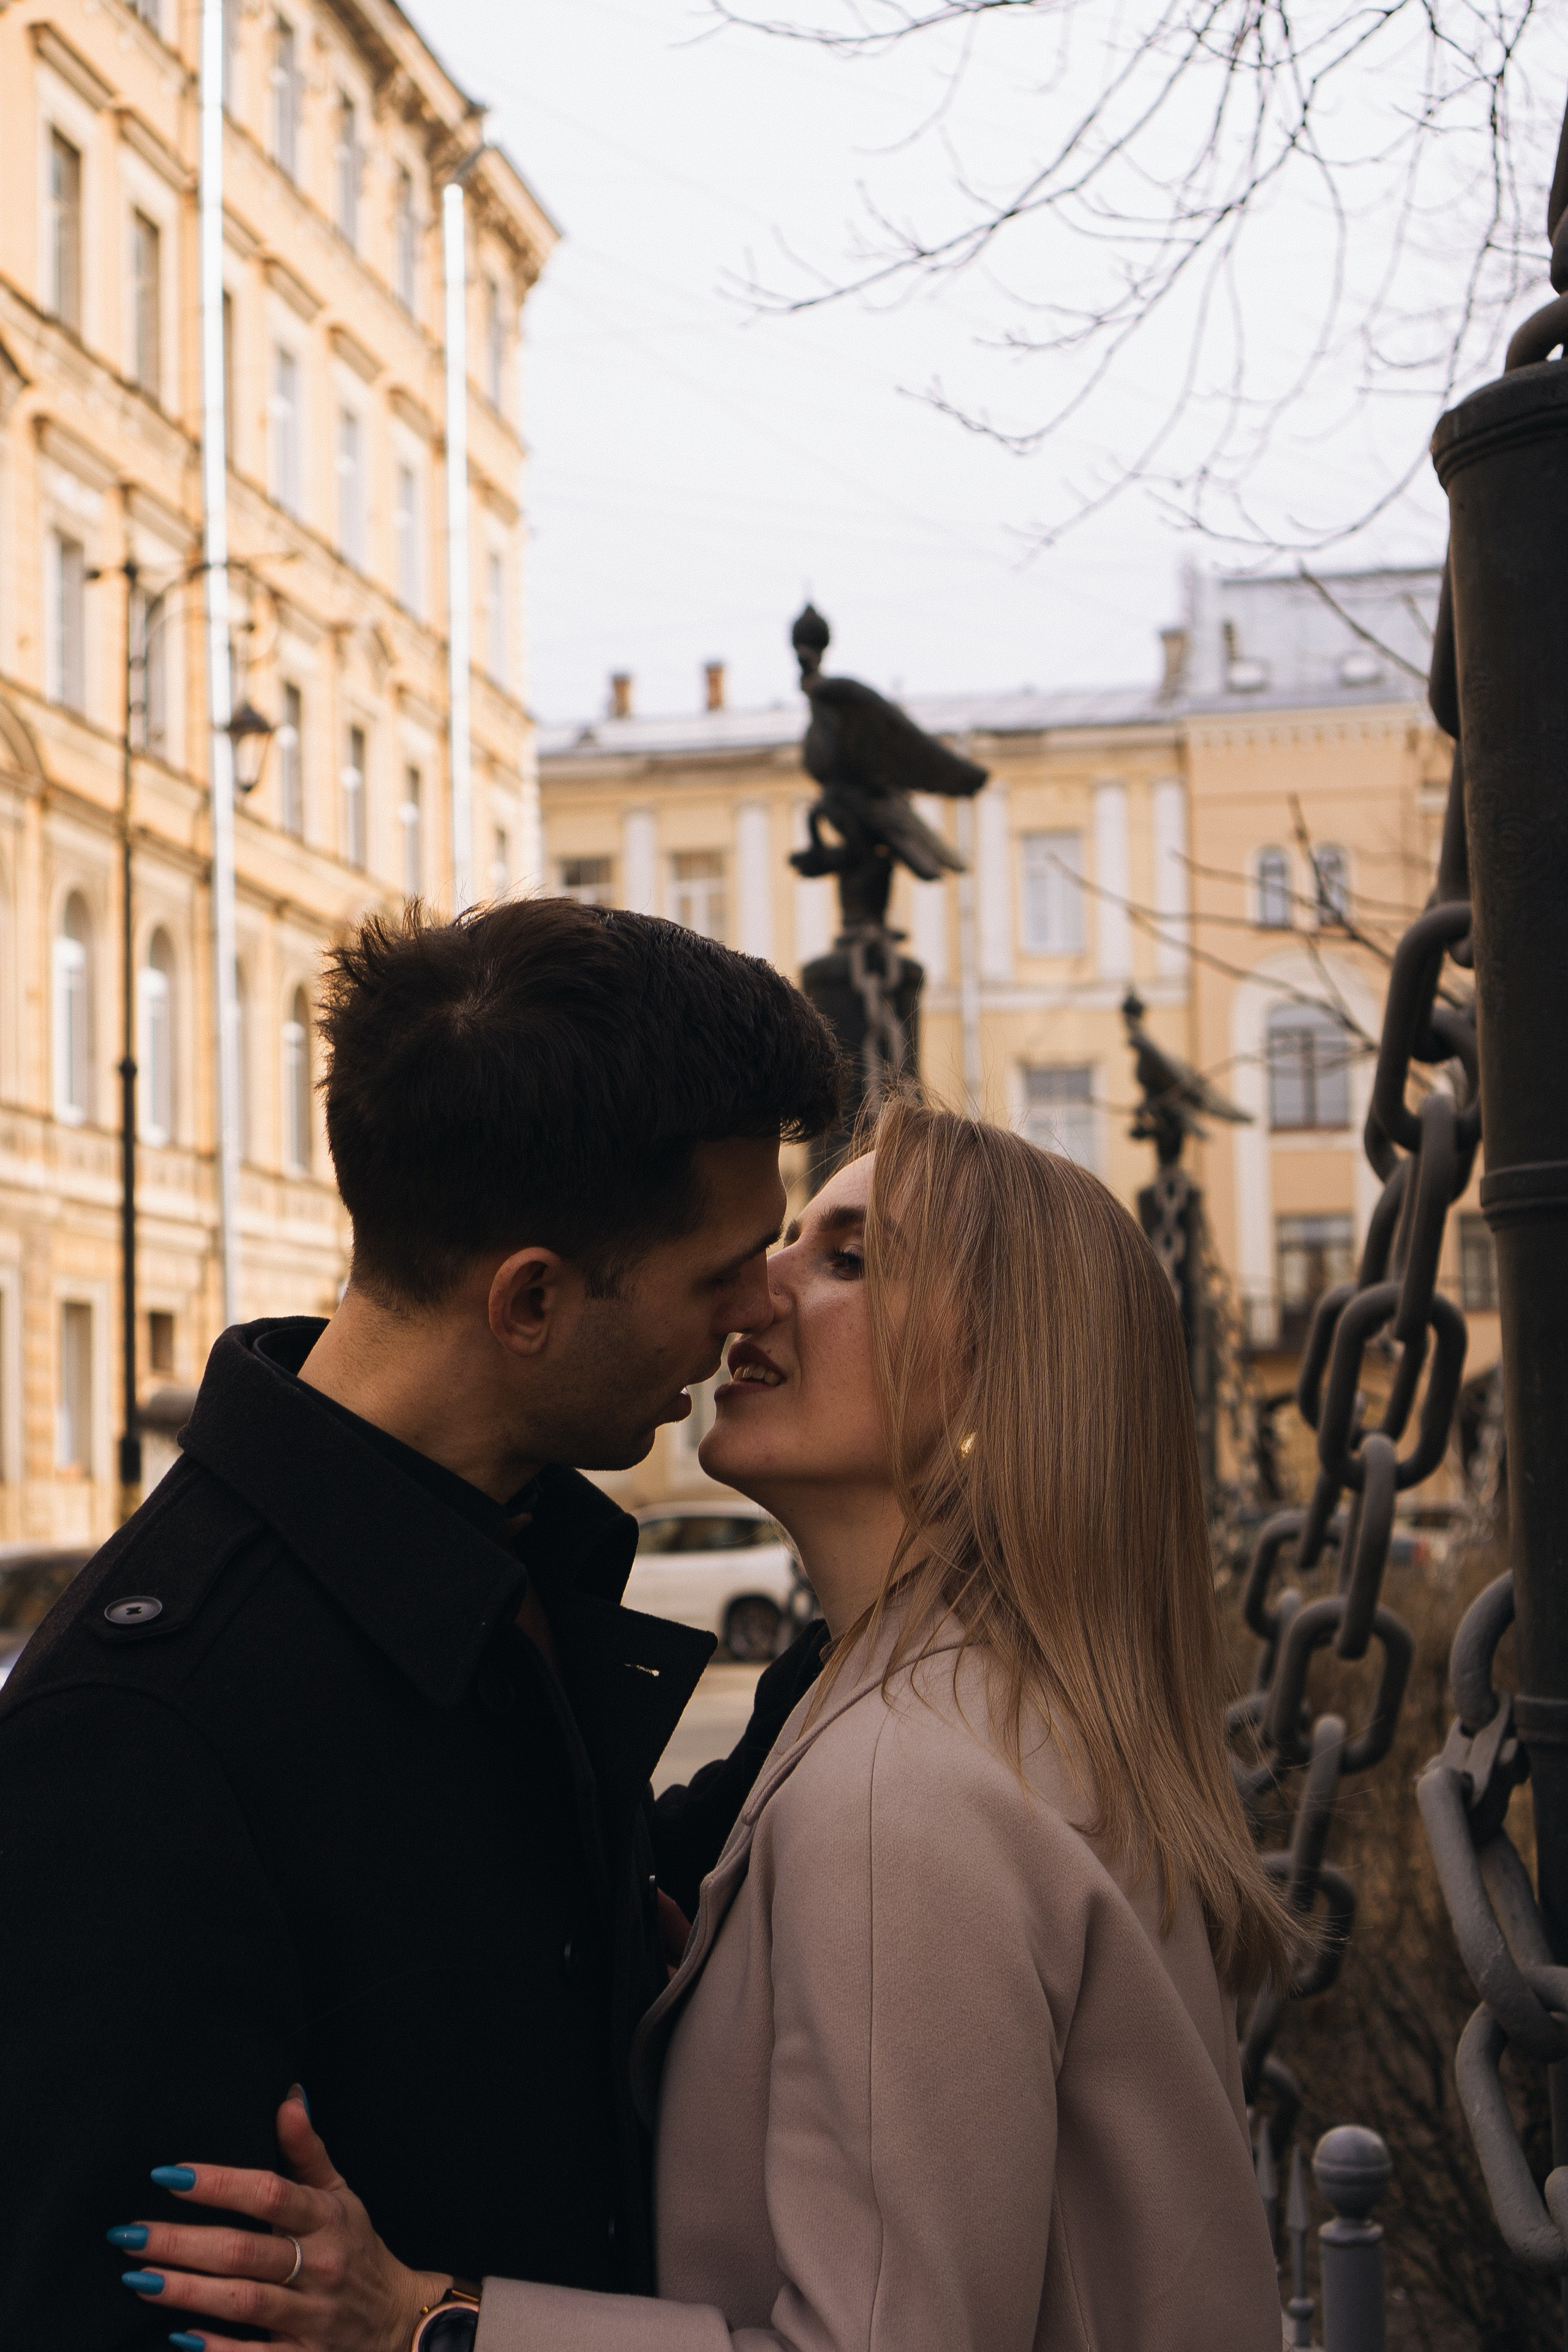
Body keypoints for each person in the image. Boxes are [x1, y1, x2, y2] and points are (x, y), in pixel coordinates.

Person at [118, 1097, 1291, 2352]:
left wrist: (426, 2323)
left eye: (848, 1257)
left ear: (994, 1392)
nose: (750, 1291)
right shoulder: (983, 1708)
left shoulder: (904, 1790)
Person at [0, 897, 843, 2350]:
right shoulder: (145, 1728)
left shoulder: (503, 1555)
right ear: (528, 1301)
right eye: (722, 1271)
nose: (758, 1310)